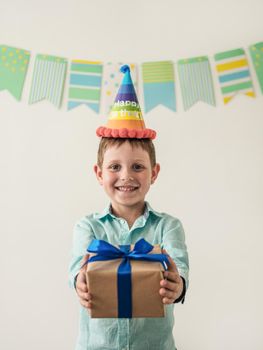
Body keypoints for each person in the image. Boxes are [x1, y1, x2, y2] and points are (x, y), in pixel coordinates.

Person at [69, 65, 189, 350]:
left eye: (137, 167)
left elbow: (180, 269)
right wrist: (80, 283)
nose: (126, 176)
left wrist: (178, 284)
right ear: (99, 174)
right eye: (114, 167)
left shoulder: (168, 226)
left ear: (154, 173)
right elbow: (76, 271)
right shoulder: (87, 227)